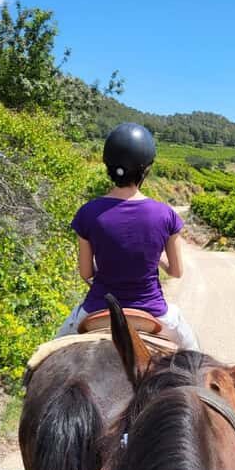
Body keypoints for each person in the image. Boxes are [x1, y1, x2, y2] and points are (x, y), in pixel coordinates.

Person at [56, 122, 199, 349]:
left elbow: (85, 272)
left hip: (96, 308)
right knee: (195, 362)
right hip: (153, 312)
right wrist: (154, 258)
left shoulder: (88, 213)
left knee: (46, 360)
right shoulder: (166, 214)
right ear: (146, 169)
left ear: (108, 166)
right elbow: (176, 271)